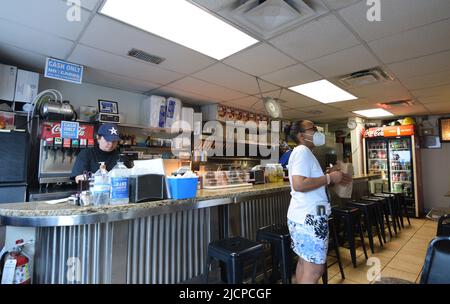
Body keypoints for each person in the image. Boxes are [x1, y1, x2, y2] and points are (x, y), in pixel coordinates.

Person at [287, 120, 351, 284]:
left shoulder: (304, 152)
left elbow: (309, 181)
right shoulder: (302, 151)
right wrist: (329, 177)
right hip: (309, 219)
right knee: (315, 269)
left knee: (305, 263)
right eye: (313, 129)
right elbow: (299, 184)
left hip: (305, 217)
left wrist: (327, 175)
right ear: (302, 136)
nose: (317, 131)